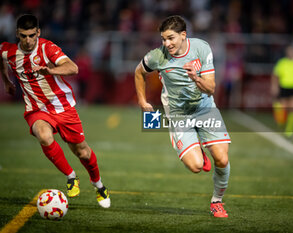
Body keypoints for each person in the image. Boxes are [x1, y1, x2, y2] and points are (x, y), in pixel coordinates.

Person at [0, 14, 110, 208]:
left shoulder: (47, 48)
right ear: (17, 34)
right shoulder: (7, 50)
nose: (28, 40)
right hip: (36, 108)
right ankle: (71, 176)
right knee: (44, 136)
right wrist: (7, 80)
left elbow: (73, 68)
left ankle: (98, 185)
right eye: (23, 36)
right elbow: (1, 57)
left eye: (32, 35)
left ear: (38, 32)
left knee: (82, 152)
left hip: (62, 106)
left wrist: (50, 71)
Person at [134, 15, 231, 218]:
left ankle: (217, 202)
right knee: (196, 166)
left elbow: (211, 88)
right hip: (178, 115)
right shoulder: (157, 56)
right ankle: (197, 149)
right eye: (163, 39)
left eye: (170, 38)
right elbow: (139, 72)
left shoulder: (201, 48)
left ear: (183, 35)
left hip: (205, 109)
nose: (166, 43)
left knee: (221, 159)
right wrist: (143, 101)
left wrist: (196, 77)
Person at [271, 44, 293, 138]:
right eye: (289, 51)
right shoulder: (282, 63)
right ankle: (278, 113)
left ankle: (289, 131)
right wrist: (274, 86)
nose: (291, 53)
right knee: (283, 109)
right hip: (284, 87)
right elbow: (275, 75)